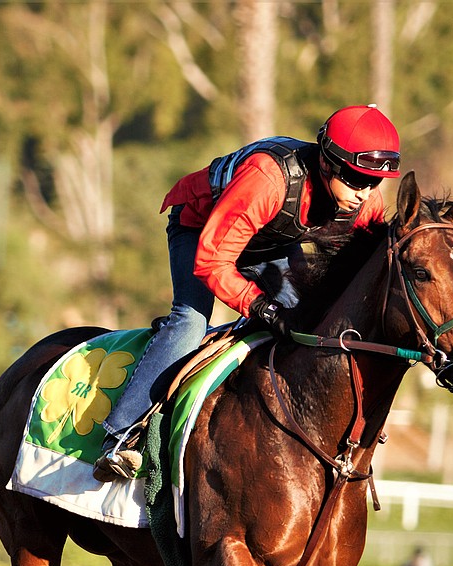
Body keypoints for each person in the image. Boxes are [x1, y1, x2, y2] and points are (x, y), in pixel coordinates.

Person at [93, 104, 402, 482]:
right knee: (191, 321)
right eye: (355, 179)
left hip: (268, 242)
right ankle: (122, 436)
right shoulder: (267, 179)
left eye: (374, 182)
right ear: (326, 162)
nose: (364, 193)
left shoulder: (366, 201)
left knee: (310, 322)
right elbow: (212, 261)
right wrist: (261, 307)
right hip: (201, 229)